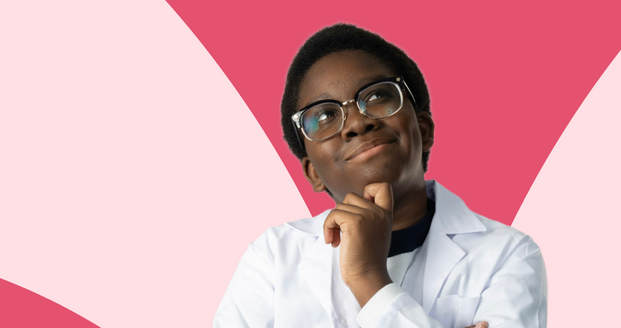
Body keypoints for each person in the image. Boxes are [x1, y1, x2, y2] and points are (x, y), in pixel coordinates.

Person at [213, 24, 547, 328]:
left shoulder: (508, 254)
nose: (358, 123)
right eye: (325, 115)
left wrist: (368, 279)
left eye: (376, 96)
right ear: (314, 173)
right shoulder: (273, 257)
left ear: (423, 128)